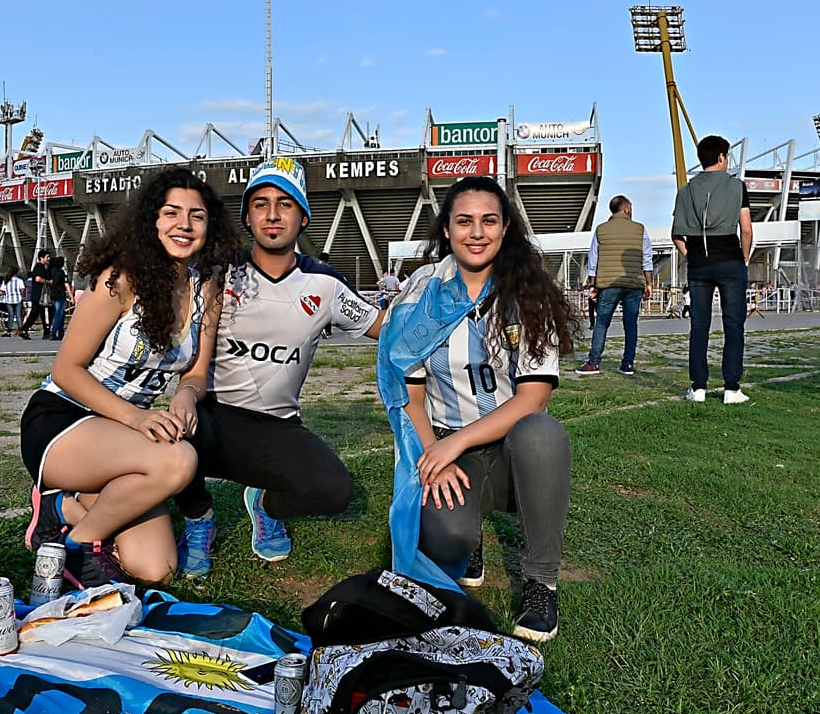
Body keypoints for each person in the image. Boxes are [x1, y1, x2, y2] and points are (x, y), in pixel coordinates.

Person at [377, 176, 576, 642]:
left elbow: (534, 396)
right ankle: (471, 541)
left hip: (510, 449)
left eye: (489, 221)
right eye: (464, 221)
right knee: (444, 537)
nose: (477, 232)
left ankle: (541, 580)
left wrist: (459, 443)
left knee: (543, 434)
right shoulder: (422, 290)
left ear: (506, 228)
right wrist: (433, 452)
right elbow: (407, 389)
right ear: (446, 229)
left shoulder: (527, 291)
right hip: (449, 443)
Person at [19, 168, 240, 586]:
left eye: (197, 216)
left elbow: (196, 372)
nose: (184, 225)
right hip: (64, 422)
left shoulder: (207, 285)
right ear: (151, 221)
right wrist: (137, 419)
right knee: (178, 460)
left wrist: (186, 398)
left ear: (210, 226)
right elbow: (66, 370)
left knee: (157, 568)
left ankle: (60, 510)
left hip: (119, 439)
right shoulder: (120, 280)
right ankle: (76, 549)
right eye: (171, 212)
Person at [172, 157, 383, 578]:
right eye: (261, 203)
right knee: (168, 438)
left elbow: (386, 329)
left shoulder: (324, 284)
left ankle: (264, 505)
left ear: (303, 217)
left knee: (335, 491)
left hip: (277, 425)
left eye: (285, 204)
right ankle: (199, 518)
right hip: (212, 416)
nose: (272, 214)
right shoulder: (217, 271)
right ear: (247, 216)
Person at [672, 134, 753, 404]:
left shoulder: (686, 190)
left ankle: (698, 388)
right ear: (721, 157)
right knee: (733, 324)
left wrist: (691, 255)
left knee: (699, 326)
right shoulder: (736, 186)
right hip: (730, 258)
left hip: (699, 263)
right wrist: (744, 258)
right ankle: (732, 388)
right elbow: (746, 227)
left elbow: (677, 235)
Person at [575, 195, 653, 376]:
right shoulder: (640, 229)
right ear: (626, 209)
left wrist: (593, 284)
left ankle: (593, 363)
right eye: (631, 207)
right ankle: (627, 364)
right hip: (634, 283)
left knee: (602, 322)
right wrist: (648, 283)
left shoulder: (601, 229)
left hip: (608, 284)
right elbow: (646, 258)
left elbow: (593, 259)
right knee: (630, 324)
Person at [19, 249, 52, 340]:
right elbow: (38, 279)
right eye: (47, 257)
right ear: (41, 258)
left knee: (35, 313)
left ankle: (25, 329)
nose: (49, 259)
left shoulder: (40, 267)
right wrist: (48, 282)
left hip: (37, 294)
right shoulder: (40, 267)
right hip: (40, 295)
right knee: (43, 313)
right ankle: (46, 332)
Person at [45, 255, 72, 340]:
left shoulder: (52, 271)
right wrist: (71, 296)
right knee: (59, 314)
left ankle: (60, 331)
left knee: (60, 313)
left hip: (53, 295)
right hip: (60, 295)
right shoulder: (61, 273)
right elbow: (66, 284)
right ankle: (54, 332)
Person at [1, 267, 24, 336]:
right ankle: (20, 330)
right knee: (18, 316)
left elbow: (2, 291)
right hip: (18, 299)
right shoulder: (19, 280)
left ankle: (9, 331)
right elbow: (22, 290)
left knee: (10, 316)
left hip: (9, 300)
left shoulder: (6, 280)